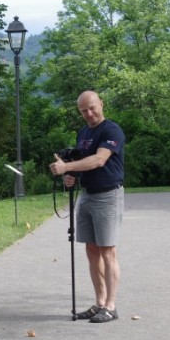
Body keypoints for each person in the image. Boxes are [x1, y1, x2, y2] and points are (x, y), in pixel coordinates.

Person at [49, 90, 125, 323]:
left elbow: (99, 160)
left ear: (101, 103)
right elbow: (82, 164)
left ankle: (111, 306)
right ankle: (99, 303)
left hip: (108, 195)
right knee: (91, 250)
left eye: (92, 108)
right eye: (84, 110)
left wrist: (67, 166)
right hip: (87, 195)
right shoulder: (83, 132)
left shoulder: (111, 130)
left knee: (108, 251)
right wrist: (70, 175)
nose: (89, 114)